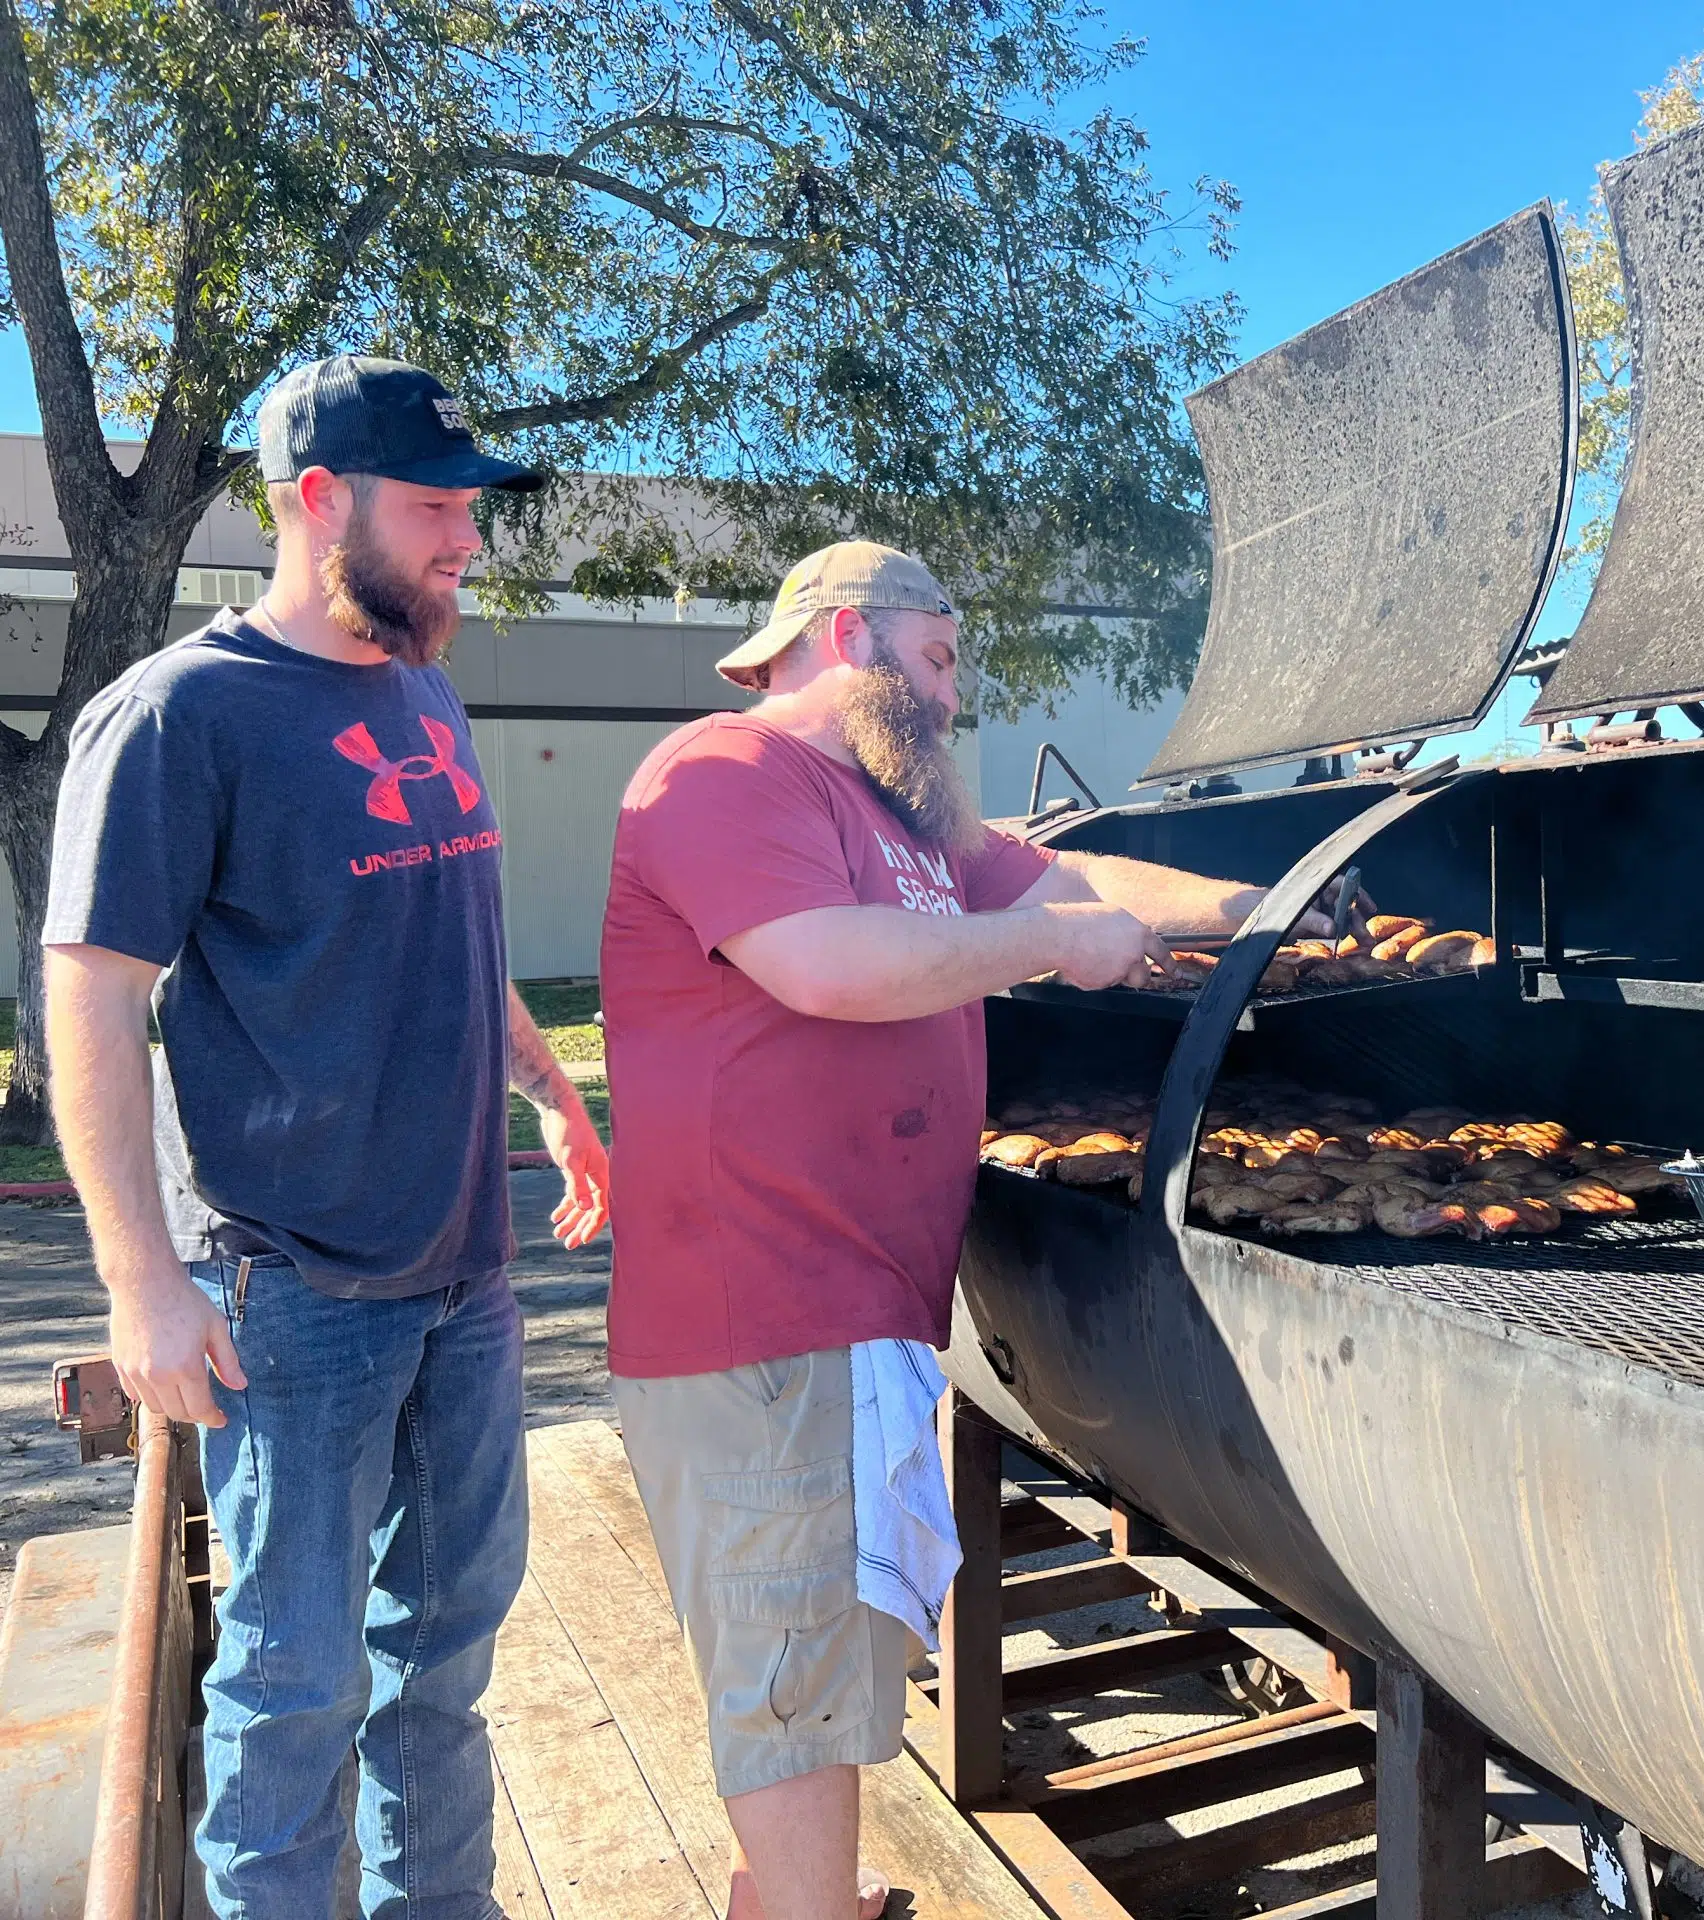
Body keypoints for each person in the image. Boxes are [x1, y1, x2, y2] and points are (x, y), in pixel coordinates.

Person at [601, 540, 1322, 1920]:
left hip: (848, 1309)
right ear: (848, 639)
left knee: (818, 1663)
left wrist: (1259, 917)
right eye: (938, 661)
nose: (951, 698)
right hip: (757, 1319)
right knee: (795, 1679)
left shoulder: (903, 823)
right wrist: (1049, 951)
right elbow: (826, 964)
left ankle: (807, 1898)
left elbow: (1065, 880)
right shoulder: (725, 773)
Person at [44, 354, 611, 1919]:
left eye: (470, 513)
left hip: (464, 1276)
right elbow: (88, 1000)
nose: (467, 545)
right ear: (317, 502)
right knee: (292, 1693)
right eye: (436, 510)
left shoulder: (424, 681)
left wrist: (551, 1096)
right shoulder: (178, 716)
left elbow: (454, 926)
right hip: (289, 1294)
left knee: (445, 1659)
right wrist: (140, 1285)